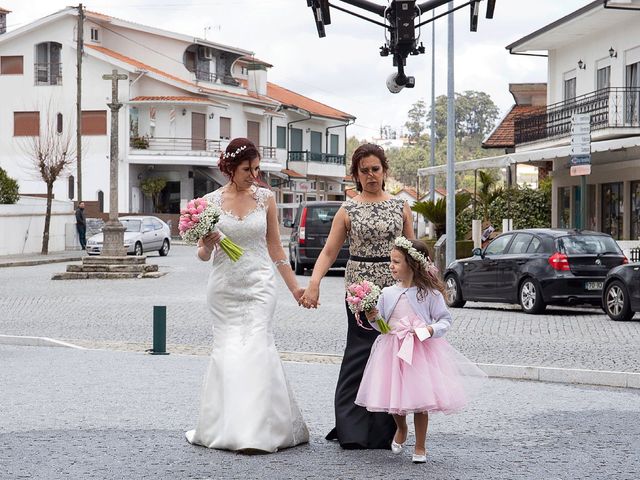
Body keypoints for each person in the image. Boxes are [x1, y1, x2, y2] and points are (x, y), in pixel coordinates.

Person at [185, 138, 309, 453]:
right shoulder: (210, 202)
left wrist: (295, 287)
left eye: (256, 169)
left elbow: (275, 247)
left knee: (256, 347)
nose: (253, 176)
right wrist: (209, 242)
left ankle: (258, 431)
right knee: (228, 353)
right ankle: (227, 426)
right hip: (224, 287)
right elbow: (201, 254)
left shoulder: (266, 198)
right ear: (230, 168)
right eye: (246, 169)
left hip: (259, 285)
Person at [300, 143, 414, 450]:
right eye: (364, 171)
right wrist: (314, 283)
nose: (371, 175)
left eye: (375, 169)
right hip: (359, 290)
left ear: (384, 171)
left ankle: (386, 428)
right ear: (356, 175)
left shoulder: (401, 207)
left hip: (393, 291)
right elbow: (329, 251)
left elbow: (412, 252)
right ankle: (351, 427)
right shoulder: (347, 210)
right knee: (359, 355)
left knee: (391, 355)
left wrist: (426, 286)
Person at [356, 237, 486, 463]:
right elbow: (383, 327)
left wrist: (428, 329)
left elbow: (445, 320)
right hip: (393, 350)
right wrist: (373, 318)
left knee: (420, 401)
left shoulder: (429, 294)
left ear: (412, 264)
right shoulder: (387, 293)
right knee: (394, 398)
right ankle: (401, 427)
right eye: (391, 261)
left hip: (420, 351)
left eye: (396, 261)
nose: (391, 265)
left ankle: (420, 445)